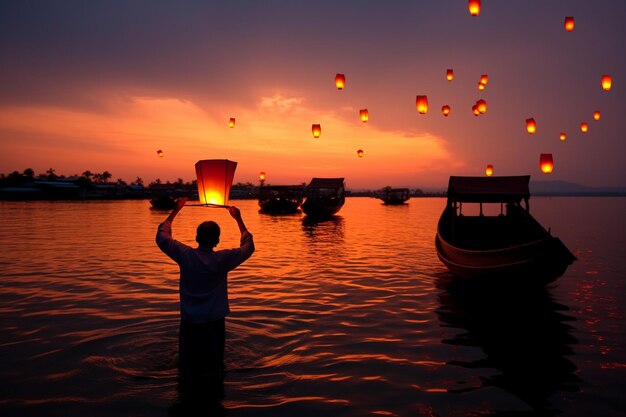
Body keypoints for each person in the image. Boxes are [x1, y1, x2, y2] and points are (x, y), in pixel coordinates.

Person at [156, 197, 255, 384]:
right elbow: (249, 247)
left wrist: (176, 210)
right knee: (215, 367)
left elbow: (161, 237)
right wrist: (238, 220)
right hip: (214, 322)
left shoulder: (185, 255)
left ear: (196, 238)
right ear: (217, 241)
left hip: (190, 322)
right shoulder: (223, 259)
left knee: (186, 367)